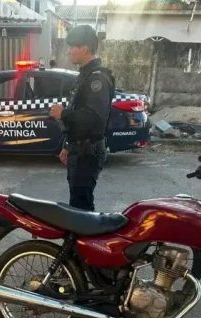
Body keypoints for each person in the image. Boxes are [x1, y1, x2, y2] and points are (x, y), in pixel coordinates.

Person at [49, 25, 114, 211]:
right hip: (79, 151)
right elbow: (79, 119)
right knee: (78, 204)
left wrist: (63, 113)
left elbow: (94, 119)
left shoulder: (97, 79)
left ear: (84, 48)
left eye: (71, 47)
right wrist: (67, 146)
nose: (68, 51)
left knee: (81, 208)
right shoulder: (85, 75)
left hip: (88, 154)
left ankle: (84, 240)